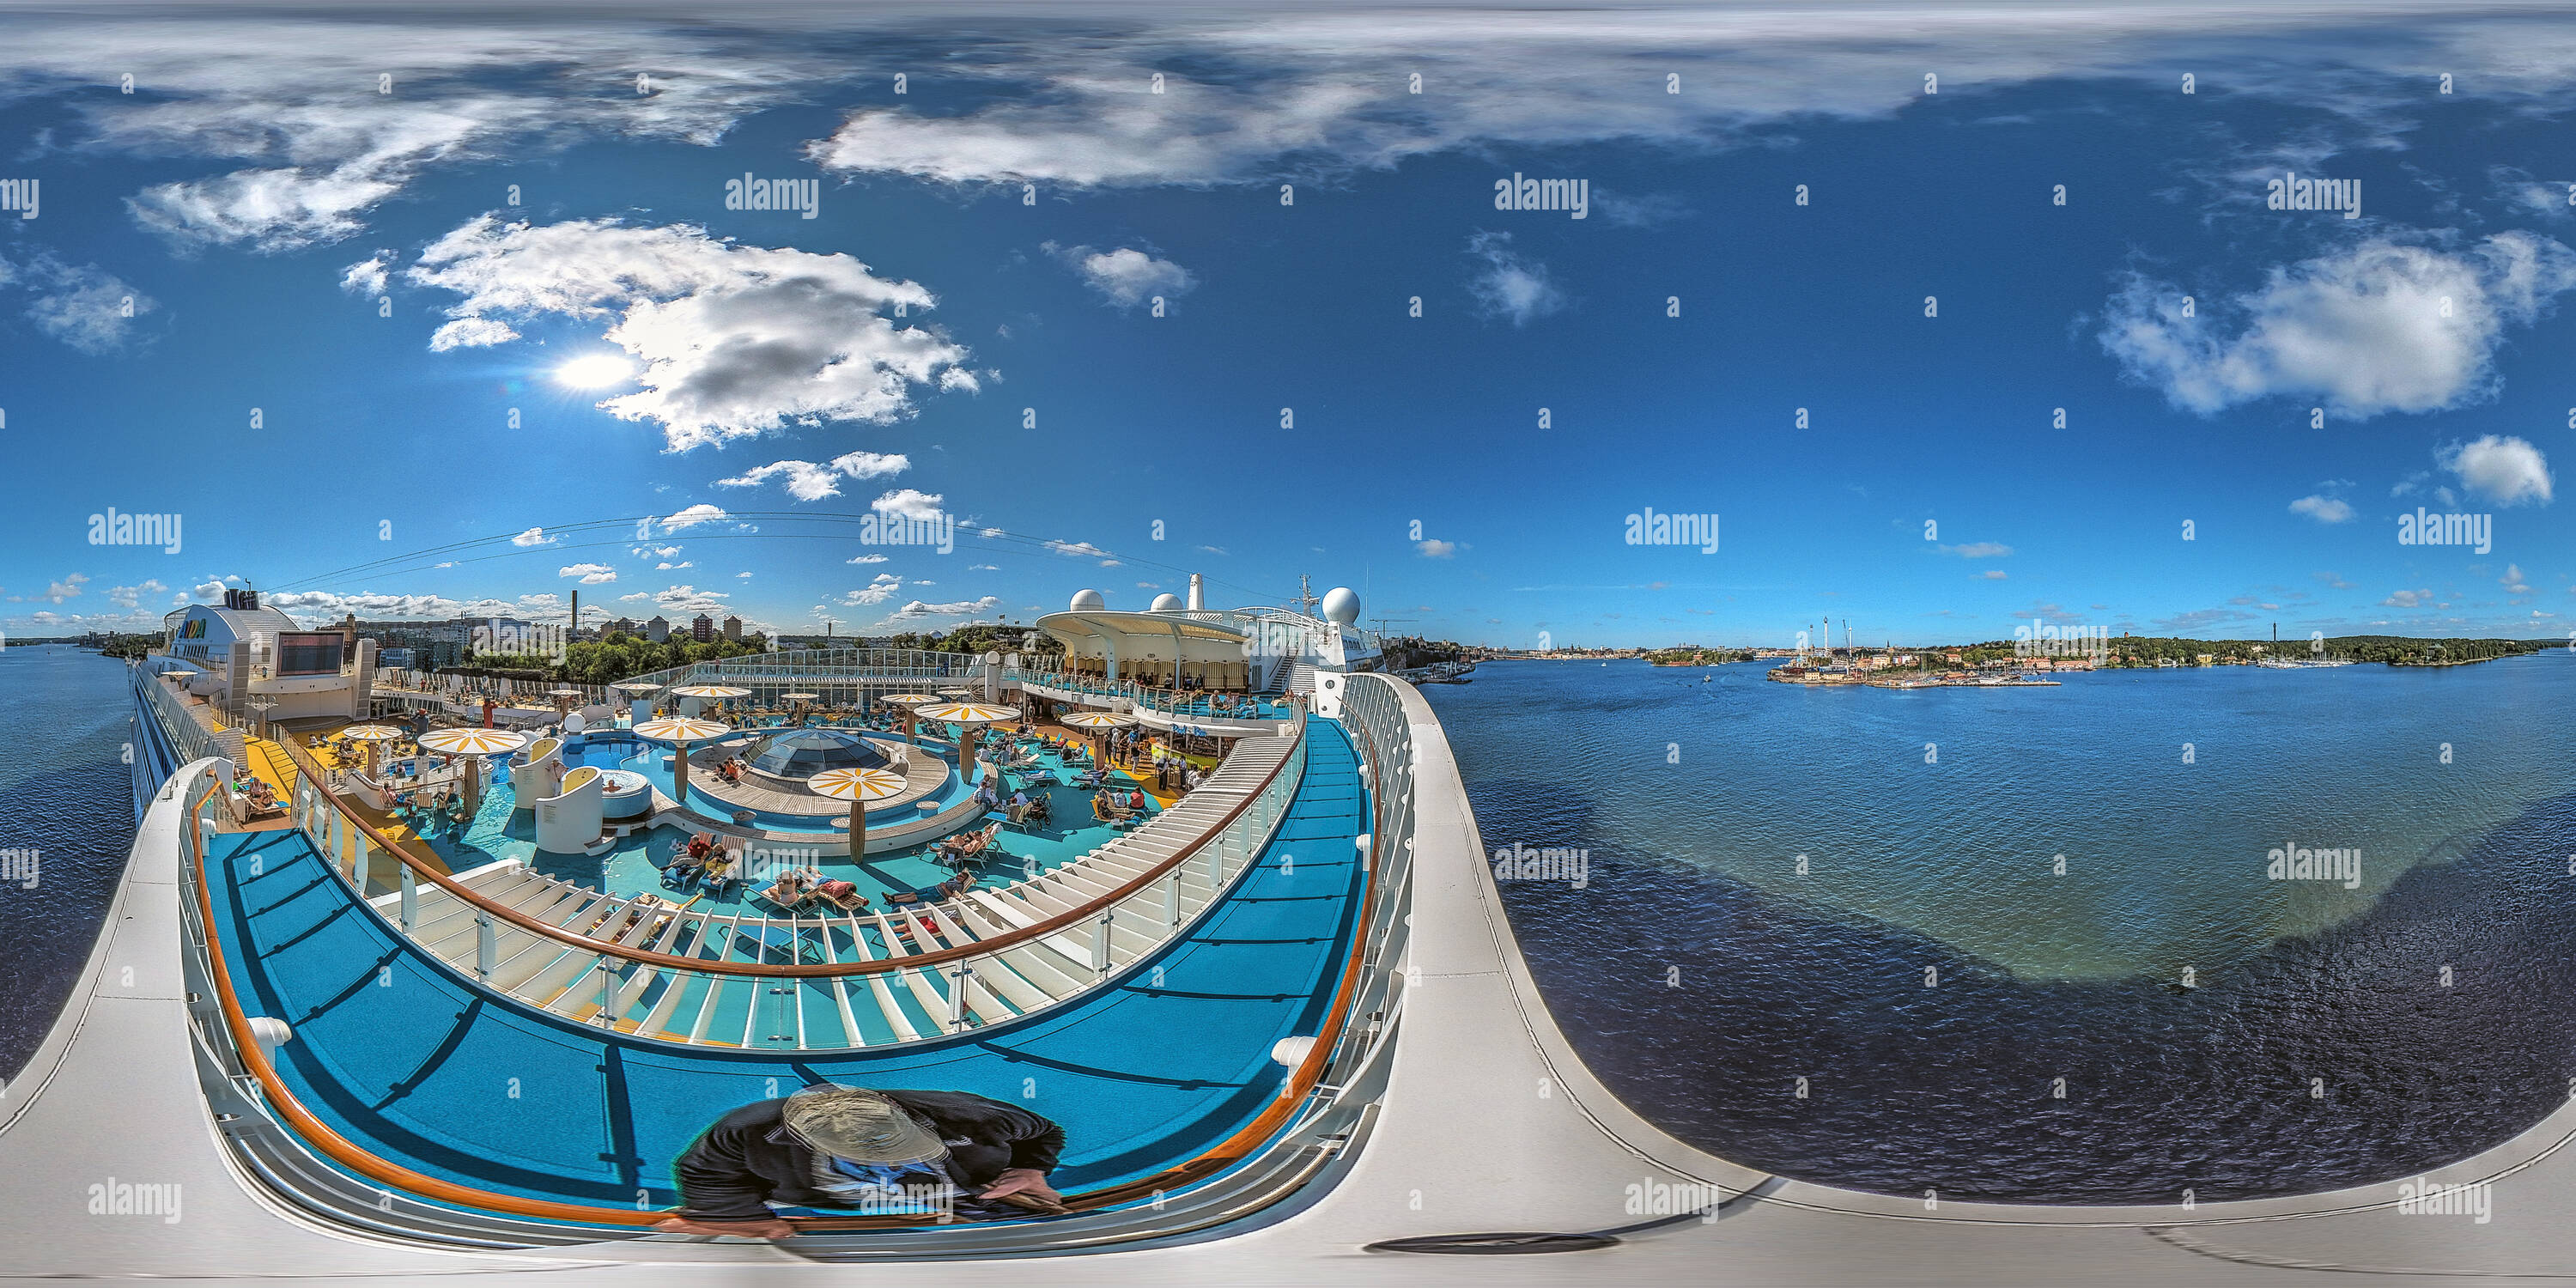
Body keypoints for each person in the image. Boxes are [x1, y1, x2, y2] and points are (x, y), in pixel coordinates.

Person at [659, 1084, 1066, 1237]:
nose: (891, 1165)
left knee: (1000, 1215)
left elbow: (1044, 1131)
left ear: (893, 1107)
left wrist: (1032, 1169)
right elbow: (704, 1170)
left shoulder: (971, 1116)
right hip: (810, 1189)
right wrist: (744, 1217)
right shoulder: (747, 1130)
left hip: (960, 1180)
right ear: (800, 1139)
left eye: (905, 1149)